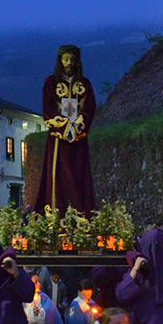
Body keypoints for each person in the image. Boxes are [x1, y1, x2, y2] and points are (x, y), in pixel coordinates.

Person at [34, 45, 97, 214]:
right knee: (57, 177)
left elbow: (90, 108)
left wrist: (77, 125)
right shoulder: (50, 83)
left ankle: (81, 216)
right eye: (65, 59)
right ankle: (56, 218)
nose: (69, 63)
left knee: (79, 176)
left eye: (72, 59)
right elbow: (48, 110)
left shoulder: (85, 84)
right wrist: (64, 126)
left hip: (79, 139)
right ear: (60, 61)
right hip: (58, 140)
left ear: (77, 61)